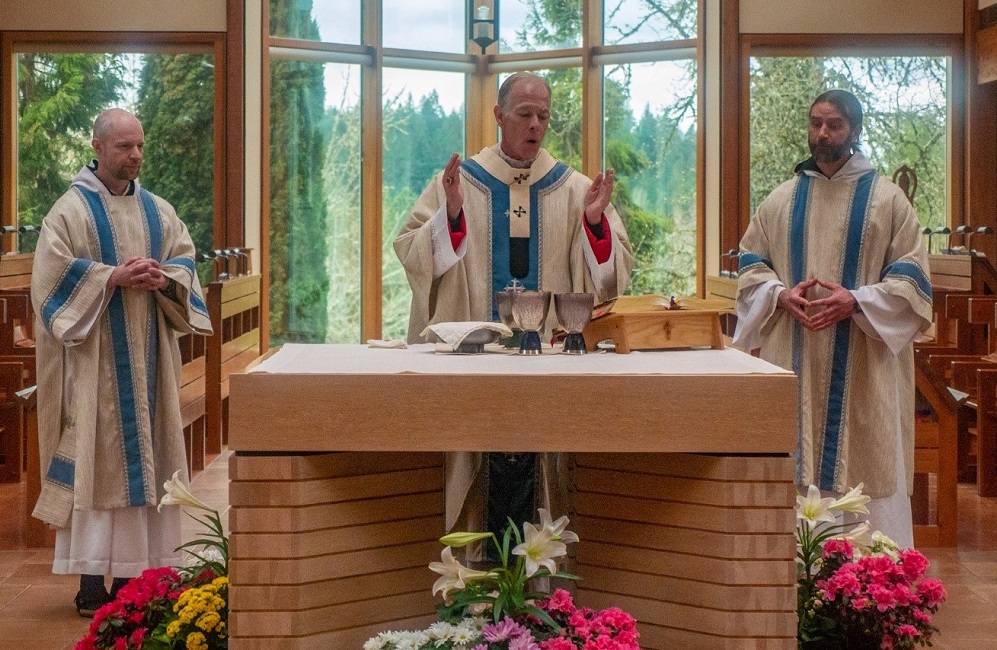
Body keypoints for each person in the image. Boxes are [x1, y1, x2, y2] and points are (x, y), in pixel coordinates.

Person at [393, 72, 634, 552]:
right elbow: (410, 247)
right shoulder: (458, 182)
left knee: (545, 470)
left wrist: (592, 224)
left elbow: (614, 273)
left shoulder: (574, 188)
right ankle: (472, 575)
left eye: (543, 115)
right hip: (474, 364)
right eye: (524, 114)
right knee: (473, 462)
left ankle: (544, 584)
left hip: (547, 363)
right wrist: (454, 217)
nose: (535, 125)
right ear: (499, 116)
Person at [30, 108, 212, 616]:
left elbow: (184, 258)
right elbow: (49, 278)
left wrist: (167, 279)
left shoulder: (158, 210)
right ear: (97, 146)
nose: (134, 156)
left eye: (139, 146)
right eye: (123, 147)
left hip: (149, 359)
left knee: (147, 463)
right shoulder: (68, 212)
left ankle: (139, 578)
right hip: (94, 366)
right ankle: (90, 580)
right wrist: (109, 278)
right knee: (96, 461)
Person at [734, 90, 933, 549]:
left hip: (865, 367)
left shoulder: (888, 202)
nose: (822, 133)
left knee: (870, 480)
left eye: (835, 124)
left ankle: (875, 591)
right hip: (795, 362)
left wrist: (858, 301)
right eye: (815, 123)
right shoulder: (781, 201)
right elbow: (749, 268)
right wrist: (780, 295)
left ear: (856, 131)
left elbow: (914, 280)